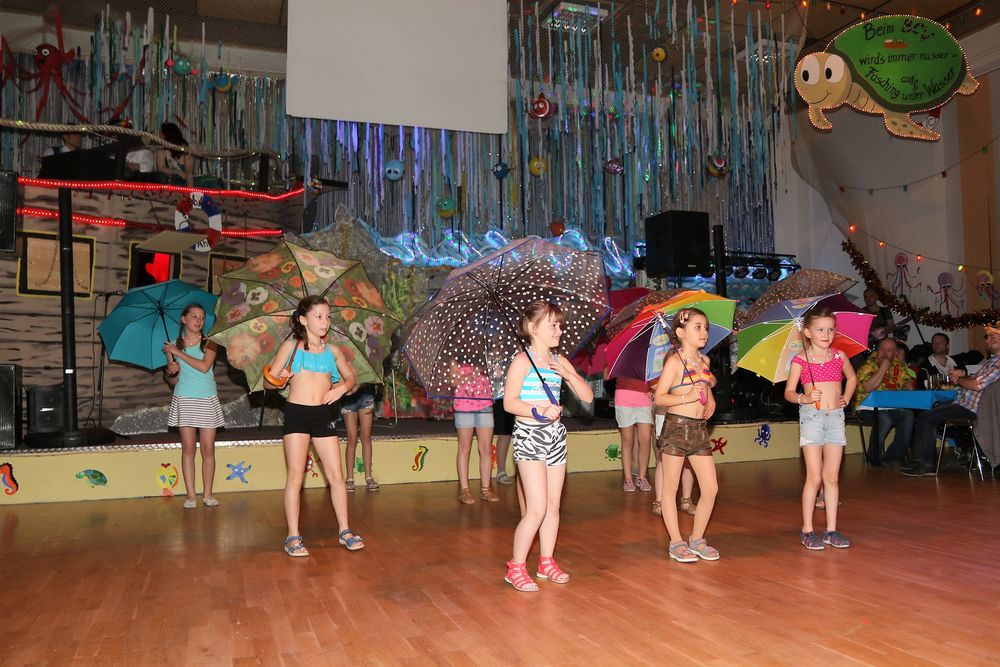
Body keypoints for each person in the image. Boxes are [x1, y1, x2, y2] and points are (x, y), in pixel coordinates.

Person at [503, 301, 593, 592]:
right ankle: (516, 567)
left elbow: (588, 397)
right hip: (530, 436)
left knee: (553, 506)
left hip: (555, 437)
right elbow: (510, 403)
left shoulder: (559, 361)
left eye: (560, 325)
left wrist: (570, 375)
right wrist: (538, 410)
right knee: (537, 508)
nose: (559, 330)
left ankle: (546, 561)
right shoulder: (522, 361)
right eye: (553, 325)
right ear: (533, 328)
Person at [264, 295, 362, 556]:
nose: (325, 321)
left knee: (337, 476)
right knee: (296, 477)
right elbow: (267, 383)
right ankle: (293, 536)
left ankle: (345, 531)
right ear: (303, 320)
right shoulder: (291, 347)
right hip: (296, 414)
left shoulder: (333, 351)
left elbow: (352, 377)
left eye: (328, 316)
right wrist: (279, 378)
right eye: (319, 316)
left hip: (322, 414)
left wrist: (341, 388)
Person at [784, 306, 857, 550]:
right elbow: (789, 392)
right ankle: (807, 530)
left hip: (835, 417)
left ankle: (831, 530)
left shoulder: (839, 356)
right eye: (820, 330)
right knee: (814, 477)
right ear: (807, 332)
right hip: (812, 417)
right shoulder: (801, 360)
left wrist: (846, 397)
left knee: (831, 478)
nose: (826, 335)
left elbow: (852, 378)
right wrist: (803, 398)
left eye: (830, 330)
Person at [652, 308, 720, 563]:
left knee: (711, 488)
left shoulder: (705, 361)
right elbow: (659, 398)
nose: (704, 332)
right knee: (670, 488)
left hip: (699, 430)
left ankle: (697, 538)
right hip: (676, 428)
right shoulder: (673, 362)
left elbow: (705, 389)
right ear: (681, 333)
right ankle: (676, 542)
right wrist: (685, 397)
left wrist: (710, 401)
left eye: (705, 327)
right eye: (697, 327)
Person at [902, 324, 1000, 477]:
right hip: (964, 403)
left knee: (926, 417)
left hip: (972, 408)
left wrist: (960, 379)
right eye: (988, 338)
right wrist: (963, 376)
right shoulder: (992, 361)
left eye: (992, 337)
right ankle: (928, 460)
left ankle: (925, 464)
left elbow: (977, 385)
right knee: (928, 411)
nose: (987, 340)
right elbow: (976, 381)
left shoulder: (998, 363)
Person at [162, 304, 224, 509]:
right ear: (184, 319)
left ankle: (208, 494)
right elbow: (173, 382)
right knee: (188, 448)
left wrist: (178, 354)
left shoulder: (210, 342)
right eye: (194, 316)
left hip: (206, 398)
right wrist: (171, 371)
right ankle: (190, 496)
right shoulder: (172, 346)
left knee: (208, 448)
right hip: (185, 398)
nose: (199, 321)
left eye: (202, 317)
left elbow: (204, 367)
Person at [852, 337, 915, 465]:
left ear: (895, 353)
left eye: (889, 350)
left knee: (908, 415)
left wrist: (908, 384)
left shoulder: (898, 365)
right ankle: (873, 457)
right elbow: (868, 387)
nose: (885, 353)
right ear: (878, 350)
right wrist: (882, 369)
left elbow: (906, 381)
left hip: (891, 406)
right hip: (867, 407)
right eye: (882, 349)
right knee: (884, 418)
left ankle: (893, 456)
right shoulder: (868, 365)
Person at [453, 363, 497, 504]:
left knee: (486, 449)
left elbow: (497, 376)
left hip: (485, 403)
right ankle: (464, 490)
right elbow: (452, 380)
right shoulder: (456, 356)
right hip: (463, 404)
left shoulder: (487, 356)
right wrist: (468, 376)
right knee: (464, 448)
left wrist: (493, 372)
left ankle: (486, 489)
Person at [614, 376, 653, 493]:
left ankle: (642, 477)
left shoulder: (647, 362)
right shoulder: (620, 362)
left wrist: (654, 389)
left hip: (644, 397)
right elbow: (607, 375)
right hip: (623, 397)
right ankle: (628, 479)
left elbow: (655, 375)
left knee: (645, 440)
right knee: (627, 440)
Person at [341, 384, 379, 492]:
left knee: (366, 436)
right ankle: (349, 478)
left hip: (366, 394)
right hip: (349, 397)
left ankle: (369, 477)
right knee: (351, 439)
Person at [156, 122, 195, 187]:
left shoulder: (186, 149)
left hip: (185, 182)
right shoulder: (161, 149)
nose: (159, 137)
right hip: (170, 182)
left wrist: (190, 190)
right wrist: (177, 172)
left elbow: (189, 172)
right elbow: (161, 168)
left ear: (167, 136)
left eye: (161, 135)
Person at [493, 398, 515, 486]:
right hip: (499, 396)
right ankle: (501, 471)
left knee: (506, 430)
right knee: (504, 430)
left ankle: (502, 471)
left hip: (518, 397)